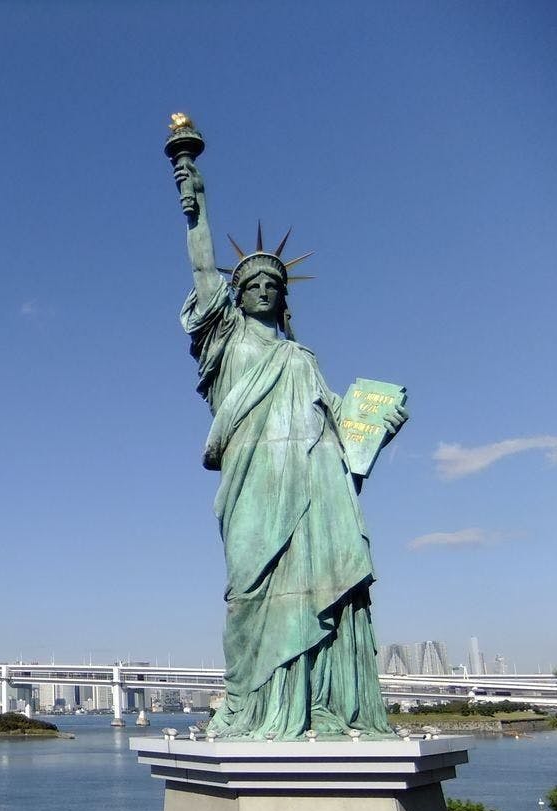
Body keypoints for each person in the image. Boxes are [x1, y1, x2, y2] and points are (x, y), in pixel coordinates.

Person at [173, 157, 407, 739]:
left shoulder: (301, 358)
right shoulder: (225, 342)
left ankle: (313, 706)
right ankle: (253, 706)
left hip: (313, 485)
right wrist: (194, 200)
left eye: (272, 287)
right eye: (251, 285)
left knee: (315, 583)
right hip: (253, 483)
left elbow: (343, 428)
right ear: (236, 296)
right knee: (250, 592)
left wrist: (378, 423)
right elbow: (204, 270)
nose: (262, 292)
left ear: (284, 298)